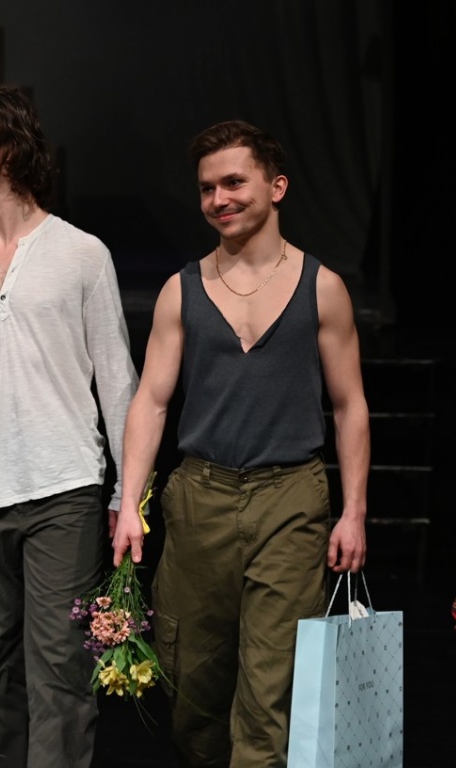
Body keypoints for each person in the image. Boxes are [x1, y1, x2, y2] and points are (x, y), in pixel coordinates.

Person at [113, 119, 370, 767]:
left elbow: (349, 406)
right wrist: (129, 502)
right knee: (192, 685)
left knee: (270, 687)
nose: (218, 199)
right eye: (207, 188)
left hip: (290, 498)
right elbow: (151, 401)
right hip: (200, 497)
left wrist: (354, 511)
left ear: (276, 187)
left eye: (233, 182)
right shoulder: (182, 289)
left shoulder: (321, 287)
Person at [0, 84, 139, 768]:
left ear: (6, 145)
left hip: (64, 490)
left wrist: (128, 495)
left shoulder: (81, 253)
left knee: (58, 670)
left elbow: (118, 381)